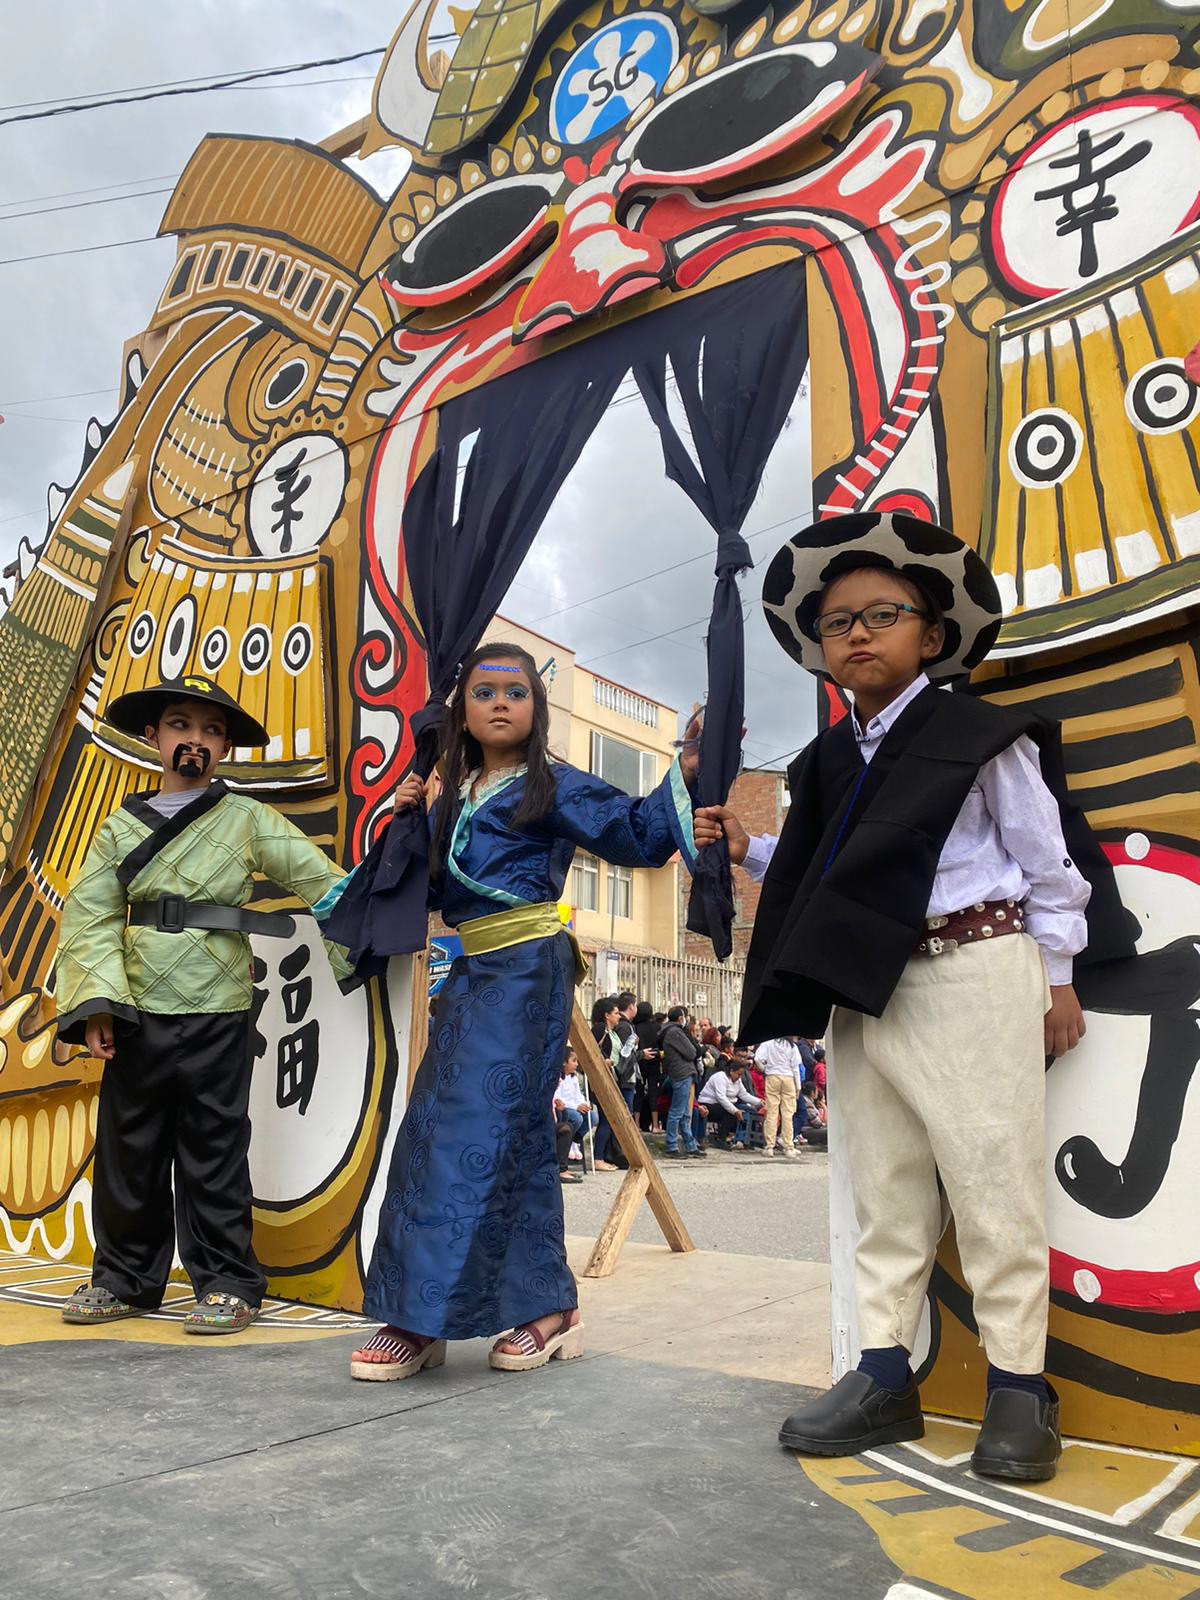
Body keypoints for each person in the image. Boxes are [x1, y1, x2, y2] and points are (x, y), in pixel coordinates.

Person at [694, 511, 1134, 1481]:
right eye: (837, 621)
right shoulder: (825, 762)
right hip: (866, 984)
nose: (857, 633)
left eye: (882, 614)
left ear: (931, 635)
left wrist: (1059, 976)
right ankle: (885, 1375)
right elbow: (825, 870)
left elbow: (1048, 864)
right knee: (884, 1190)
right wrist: (750, 849)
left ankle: (1019, 1388)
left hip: (974, 966)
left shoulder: (979, 735)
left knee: (992, 1186)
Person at [338, 641, 697, 1380]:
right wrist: (408, 820)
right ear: (462, 711)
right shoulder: (449, 795)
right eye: (484, 691)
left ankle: (422, 1315)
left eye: (516, 691)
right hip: (471, 972)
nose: (500, 702)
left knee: (465, 1130)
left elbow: (636, 831)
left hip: (528, 972)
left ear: (536, 708)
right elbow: (425, 893)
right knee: (491, 1134)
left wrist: (686, 770)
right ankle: (544, 1309)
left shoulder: (552, 784)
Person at [53, 675, 350, 1335]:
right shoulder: (117, 828)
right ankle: (123, 1280)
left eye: (212, 730)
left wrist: (381, 905)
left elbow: (319, 880)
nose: (196, 739)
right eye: (180, 725)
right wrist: (99, 1004)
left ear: (225, 749)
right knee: (129, 1151)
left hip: (220, 1005)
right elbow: (90, 918)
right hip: (135, 1009)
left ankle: (227, 1283)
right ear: (153, 736)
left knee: (214, 1149)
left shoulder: (248, 819)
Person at [659, 1004, 705, 1159]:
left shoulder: (672, 1031)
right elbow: (692, 1052)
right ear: (680, 1018)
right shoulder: (675, 1032)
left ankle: (690, 1145)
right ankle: (671, 1146)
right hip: (681, 1073)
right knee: (677, 1112)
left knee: (685, 1113)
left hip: (681, 1073)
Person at [589, 996, 624, 1171]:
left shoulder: (611, 1032)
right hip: (598, 1079)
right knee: (606, 1118)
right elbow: (589, 1052)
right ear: (606, 1015)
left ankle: (601, 1156)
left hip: (606, 1076)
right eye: (616, 1013)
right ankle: (598, 1158)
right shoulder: (599, 1029)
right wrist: (604, 1062)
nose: (619, 1016)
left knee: (608, 1118)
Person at [697, 1059, 763, 1149]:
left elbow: (744, 1094)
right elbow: (721, 1097)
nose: (740, 1077)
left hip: (728, 1103)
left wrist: (759, 1101)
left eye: (741, 1075)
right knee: (730, 1113)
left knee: (750, 1110)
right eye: (738, 1074)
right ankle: (721, 1140)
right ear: (731, 1071)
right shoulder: (720, 1077)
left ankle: (747, 1141)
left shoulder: (738, 1080)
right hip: (709, 1103)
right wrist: (735, 1111)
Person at [755, 1037, 803, 1158]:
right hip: (788, 1078)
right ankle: (788, 1147)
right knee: (788, 1114)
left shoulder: (767, 1043)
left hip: (772, 1076)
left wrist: (764, 1069)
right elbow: (795, 1068)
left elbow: (757, 1058)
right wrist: (798, 1087)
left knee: (772, 1112)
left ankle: (769, 1147)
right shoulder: (792, 1046)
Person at [554, 1048, 598, 1162]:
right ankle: (567, 1142)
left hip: (576, 1107)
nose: (576, 1064)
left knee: (593, 1117)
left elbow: (578, 1095)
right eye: (573, 1061)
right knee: (577, 1118)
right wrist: (576, 1107)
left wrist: (584, 1104)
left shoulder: (574, 1078)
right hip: (565, 1108)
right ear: (564, 1062)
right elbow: (558, 1098)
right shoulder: (558, 1077)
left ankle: (575, 1141)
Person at [633, 1000, 663, 1133]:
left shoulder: (635, 1027)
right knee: (653, 1094)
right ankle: (655, 1125)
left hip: (640, 1061)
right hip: (654, 1062)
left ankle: (636, 1124)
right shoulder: (657, 1027)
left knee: (638, 1093)